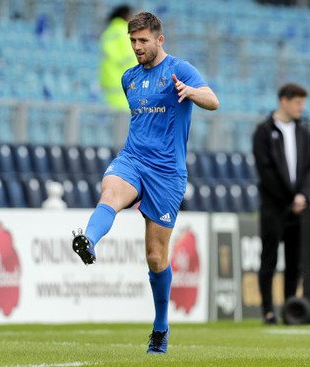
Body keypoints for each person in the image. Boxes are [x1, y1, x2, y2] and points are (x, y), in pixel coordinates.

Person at [72, 11, 219, 354]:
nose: (137, 47)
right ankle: (88, 240)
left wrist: (191, 92)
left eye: (143, 41)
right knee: (110, 190)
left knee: (155, 258)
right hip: (133, 160)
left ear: (159, 39)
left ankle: (160, 326)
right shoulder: (129, 79)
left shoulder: (180, 69)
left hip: (168, 172)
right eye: (132, 41)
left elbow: (213, 100)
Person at [252, 83, 310, 325]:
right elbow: (265, 172)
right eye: (298, 102)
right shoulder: (264, 132)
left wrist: (303, 196)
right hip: (273, 206)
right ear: (284, 101)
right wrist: (291, 199)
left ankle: (291, 308)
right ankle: (268, 311)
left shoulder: (304, 132)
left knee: (294, 260)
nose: (302, 107)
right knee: (268, 258)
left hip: (299, 207)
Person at [99, 4, 138, 110]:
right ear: (126, 15)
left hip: (110, 84)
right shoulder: (124, 32)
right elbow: (129, 57)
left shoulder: (108, 32)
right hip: (124, 86)